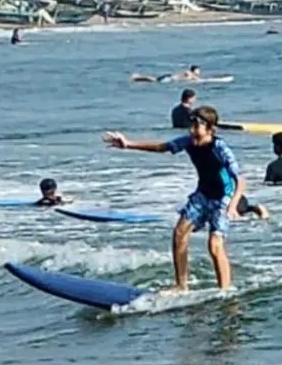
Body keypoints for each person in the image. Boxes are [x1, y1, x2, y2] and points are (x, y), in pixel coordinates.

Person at [102, 105, 245, 291]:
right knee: (179, 233)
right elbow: (162, 147)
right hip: (202, 195)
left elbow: (240, 181)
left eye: (197, 126)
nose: (192, 130)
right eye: (191, 126)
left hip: (223, 198)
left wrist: (233, 206)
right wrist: (128, 144)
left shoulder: (219, 147)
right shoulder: (188, 142)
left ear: (210, 128)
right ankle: (181, 286)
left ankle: (225, 290)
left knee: (214, 245)